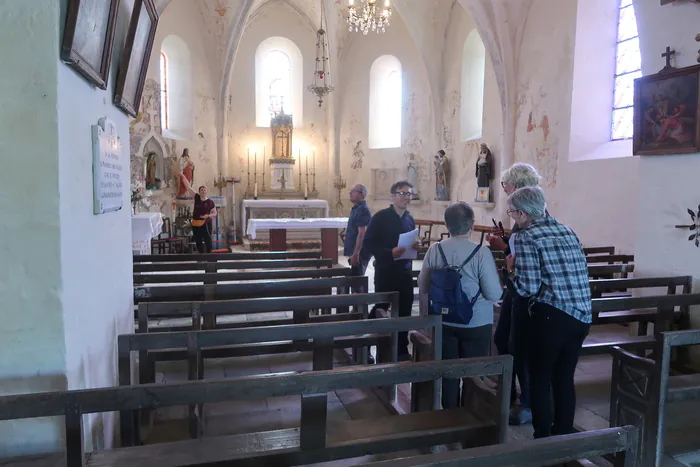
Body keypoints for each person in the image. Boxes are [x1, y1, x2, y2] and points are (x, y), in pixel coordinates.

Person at [505, 186, 591, 439]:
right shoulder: (567, 230)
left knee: (540, 377)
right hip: (582, 315)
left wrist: (510, 270)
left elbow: (527, 288)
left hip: (553, 316)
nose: (512, 218)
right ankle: (563, 432)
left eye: (511, 213)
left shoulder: (526, 236)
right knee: (564, 377)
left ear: (521, 213)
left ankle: (543, 435)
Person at [418, 202, 503, 409]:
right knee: (474, 373)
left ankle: (450, 415)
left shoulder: (435, 249)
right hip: (476, 321)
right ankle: (470, 414)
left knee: (449, 372)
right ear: (472, 224)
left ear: (446, 224)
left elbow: (423, 286)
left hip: (444, 320)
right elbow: (493, 293)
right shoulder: (480, 252)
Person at [486, 162, 542, 425]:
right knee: (503, 339)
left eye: (505, 184)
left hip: (524, 292)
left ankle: (527, 402)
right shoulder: (526, 215)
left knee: (520, 347)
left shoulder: (530, 214)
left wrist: (502, 245)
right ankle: (509, 392)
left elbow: (526, 256)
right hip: (517, 290)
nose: (504, 189)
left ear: (517, 186)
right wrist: (507, 239)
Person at [363, 180, 421, 360]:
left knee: (405, 310)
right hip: (385, 271)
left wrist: (416, 247)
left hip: (404, 272)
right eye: (403, 193)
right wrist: (390, 253)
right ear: (393, 196)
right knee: (381, 308)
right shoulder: (380, 217)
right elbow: (369, 243)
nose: (407, 197)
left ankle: (402, 350)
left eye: (409, 194)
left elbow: (409, 243)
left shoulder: (409, 218)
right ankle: (365, 343)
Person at [344, 184, 372, 276]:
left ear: (361, 195)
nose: (350, 193)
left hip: (360, 253)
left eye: (353, 191)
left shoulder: (362, 209)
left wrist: (356, 254)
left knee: (357, 282)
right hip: (356, 252)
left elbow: (362, 233)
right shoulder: (357, 208)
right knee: (355, 280)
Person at [191, 185, 217, 253]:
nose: (203, 191)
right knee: (198, 240)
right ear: (199, 192)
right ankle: (201, 257)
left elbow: (215, 213)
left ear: (206, 191)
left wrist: (208, 215)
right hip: (196, 223)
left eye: (204, 190)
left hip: (206, 223)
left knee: (207, 240)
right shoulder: (197, 198)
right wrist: (182, 176)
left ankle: (209, 258)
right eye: (201, 190)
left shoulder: (210, 202)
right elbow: (188, 187)